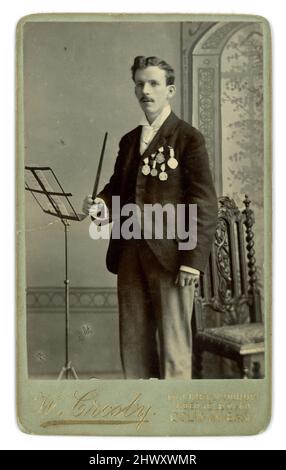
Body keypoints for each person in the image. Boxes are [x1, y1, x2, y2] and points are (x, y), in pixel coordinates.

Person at [83, 56, 218, 379]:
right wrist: (101, 204)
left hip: (172, 258)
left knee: (174, 349)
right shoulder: (130, 140)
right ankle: (142, 414)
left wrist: (191, 261)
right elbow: (118, 189)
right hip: (129, 253)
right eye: (140, 84)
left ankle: (173, 419)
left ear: (169, 90)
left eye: (154, 83)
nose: (146, 90)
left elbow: (204, 202)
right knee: (133, 344)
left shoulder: (188, 138)